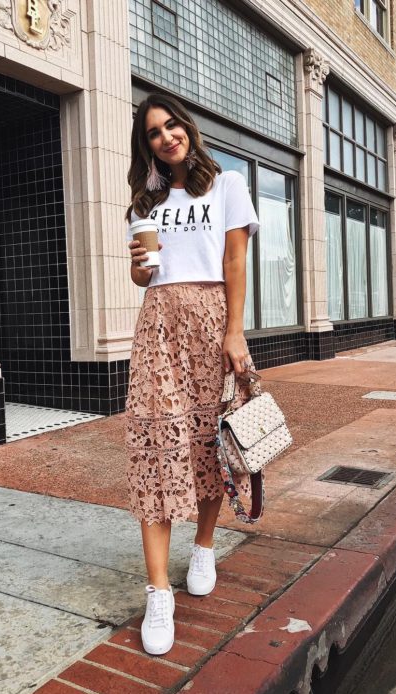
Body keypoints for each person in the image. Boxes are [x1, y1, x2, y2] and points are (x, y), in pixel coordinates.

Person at [125, 93, 259, 656]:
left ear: (187, 128)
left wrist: (234, 330)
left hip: (211, 325)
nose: (166, 136)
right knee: (156, 447)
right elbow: (144, 277)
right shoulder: (144, 201)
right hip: (157, 327)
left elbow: (233, 262)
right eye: (154, 132)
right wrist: (136, 267)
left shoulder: (226, 186)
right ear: (147, 146)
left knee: (209, 442)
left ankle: (203, 545)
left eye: (172, 124)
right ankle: (160, 592)